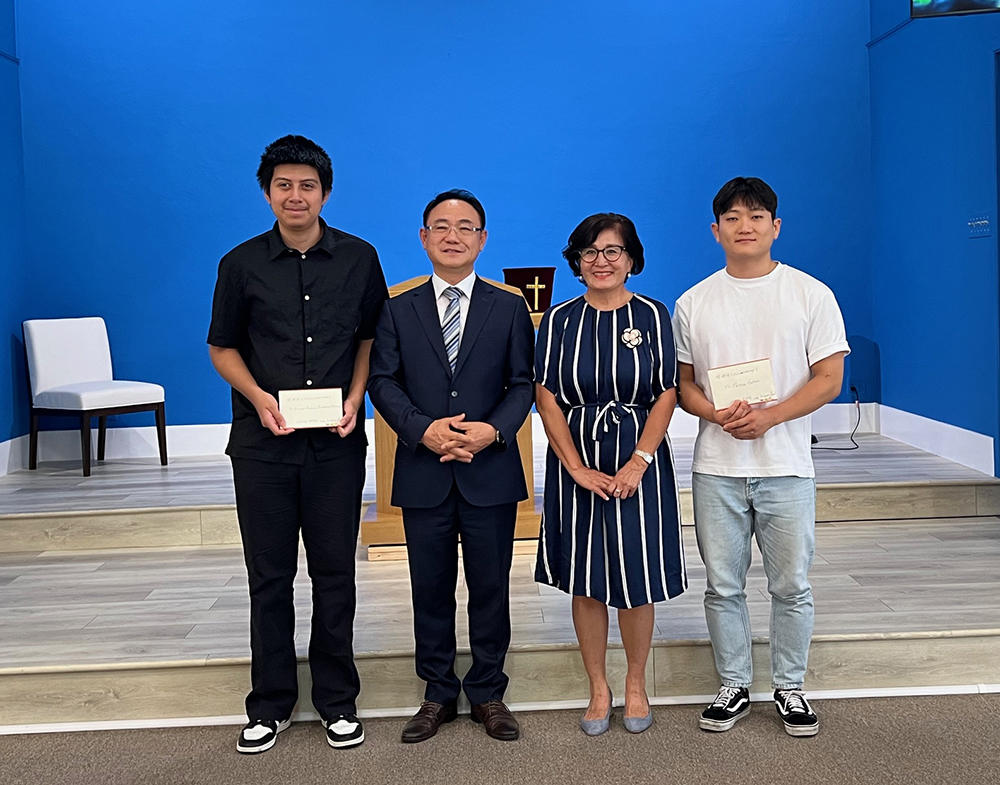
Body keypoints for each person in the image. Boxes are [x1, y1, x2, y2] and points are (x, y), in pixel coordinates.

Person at [207, 135, 388, 753]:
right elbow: (222, 347)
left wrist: (357, 397)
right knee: (269, 578)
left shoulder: (359, 258)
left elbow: (369, 339)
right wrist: (260, 398)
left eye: (307, 185)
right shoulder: (240, 264)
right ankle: (269, 705)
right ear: (267, 193)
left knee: (336, 574)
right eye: (283, 185)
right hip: (262, 447)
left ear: (325, 193)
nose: (295, 196)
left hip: (336, 445)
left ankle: (338, 702)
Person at [673, 177, 849, 737]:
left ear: (776, 226)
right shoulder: (693, 302)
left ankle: (790, 687)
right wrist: (715, 413)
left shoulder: (811, 294)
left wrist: (771, 418)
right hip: (717, 468)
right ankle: (734, 684)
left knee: (790, 585)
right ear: (715, 230)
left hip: (786, 468)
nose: (743, 226)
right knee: (722, 586)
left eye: (755, 217)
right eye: (732, 218)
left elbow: (829, 378)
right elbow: (684, 385)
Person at [367, 189, 534, 743]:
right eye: (441, 226)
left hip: (490, 471)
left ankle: (487, 691)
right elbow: (382, 381)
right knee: (429, 590)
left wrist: (492, 431)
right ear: (424, 238)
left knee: (491, 590)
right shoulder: (397, 308)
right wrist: (422, 429)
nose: (453, 236)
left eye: (466, 227)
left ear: (482, 240)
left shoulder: (509, 307)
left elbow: (522, 383)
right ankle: (437, 692)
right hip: (425, 470)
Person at [534, 213, 687, 736]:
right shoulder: (559, 319)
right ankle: (598, 686)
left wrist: (639, 460)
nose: (601, 261)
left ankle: (636, 683)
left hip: (639, 457)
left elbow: (666, 391)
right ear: (577, 261)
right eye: (590, 252)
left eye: (612, 251)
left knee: (637, 575)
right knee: (586, 577)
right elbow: (545, 396)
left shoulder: (653, 315)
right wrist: (576, 467)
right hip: (576, 458)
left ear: (631, 259)